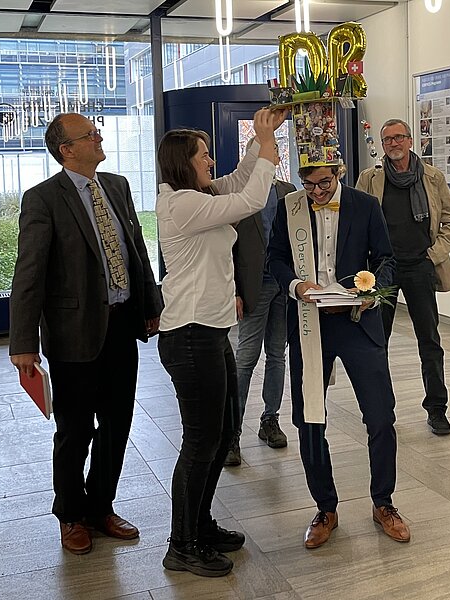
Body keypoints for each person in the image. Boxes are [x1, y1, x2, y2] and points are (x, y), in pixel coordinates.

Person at [9, 113, 163, 555]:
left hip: (121, 326)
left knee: (117, 425)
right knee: (75, 431)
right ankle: (71, 515)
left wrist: (150, 305)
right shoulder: (43, 199)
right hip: (72, 334)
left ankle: (100, 507)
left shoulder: (116, 186)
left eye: (97, 132)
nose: (99, 137)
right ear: (67, 150)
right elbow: (29, 273)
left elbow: (136, 250)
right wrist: (23, 343)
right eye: (90, 135)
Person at [156, 107, 287, 577]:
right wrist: (268, 150)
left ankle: (201, 525)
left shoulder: (201, 194)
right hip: (189, 336)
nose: (211, 162)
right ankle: (182, 544)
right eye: (203, 155)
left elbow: (239, 179)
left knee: (220, 431)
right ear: (183, 162)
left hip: (210, 333)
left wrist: (263, 137)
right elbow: (250, 198)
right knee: (201, 441)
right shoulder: (180, 204)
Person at [267, 163, 411, 550]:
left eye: (324, 183)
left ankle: (384, 503)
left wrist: (370, 290)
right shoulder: (289, 208)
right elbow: (275, 258)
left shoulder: (365, 205)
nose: (316, 192)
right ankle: (325, 509)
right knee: (309, 418)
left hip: (358, 321)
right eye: (308, 184)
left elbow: (386, 259)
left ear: (339, 172)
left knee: (380, 416)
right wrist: (297, 286)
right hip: (309, 324)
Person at [356, 118, 450, 435]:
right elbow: (356, 222)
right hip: (384, 270)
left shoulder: (432, 177)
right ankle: (380, 410)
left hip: (420, 266)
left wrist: (433, 255)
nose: (393, 143)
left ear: (410, 140)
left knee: (429, 341)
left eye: (398, 137)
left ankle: (437, 409)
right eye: (387, 139)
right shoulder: (370, 179)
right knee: (378, 342)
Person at [224, 144, 296, 466]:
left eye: (274, 150)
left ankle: (270, 420)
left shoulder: (288, 191)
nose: (272, 156)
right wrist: (235, 291)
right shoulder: (240, 195)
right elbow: (229, 248)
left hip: (284, 284)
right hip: (254, 285)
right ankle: (232, 433)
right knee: (246, 359)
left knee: (277, 355)